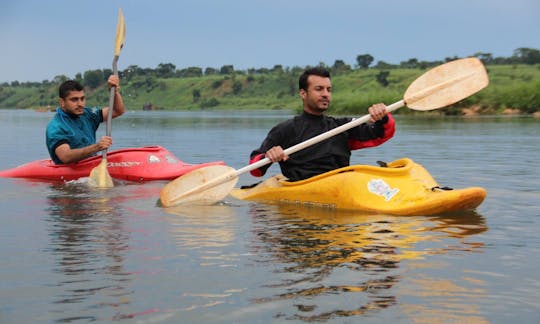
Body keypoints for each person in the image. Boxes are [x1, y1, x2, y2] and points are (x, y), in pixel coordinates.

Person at [249, 67, 395, 181]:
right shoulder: (285, 130)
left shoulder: (342, 126)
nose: (326, 94)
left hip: (343, 185)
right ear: (303, 94)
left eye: (328, 89)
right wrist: (269, 156)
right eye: (319, 89)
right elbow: (255, 170)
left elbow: (381, 134)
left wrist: (382, 116)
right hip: (305, 190)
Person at [46, 75, 126, 164]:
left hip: (90, 164)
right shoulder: (56, 127)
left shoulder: (88, 114)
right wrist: (97, 147)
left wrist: (114, 92)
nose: (80, 104)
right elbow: (66, 156)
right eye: (74, 100)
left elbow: (117, 110)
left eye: (82, 99)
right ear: (62, 102)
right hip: (68, 172)